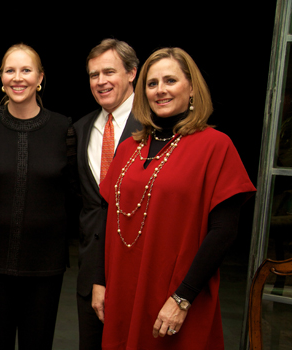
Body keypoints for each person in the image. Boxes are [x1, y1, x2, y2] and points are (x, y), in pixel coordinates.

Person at [98, 47, 256, 350]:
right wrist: (100, 281)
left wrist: (183, 297)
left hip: (177, 296)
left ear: (192, 87)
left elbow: (224, 232)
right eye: (152, 83)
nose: (160, 90)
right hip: (124, 294)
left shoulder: (216, 146)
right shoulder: (131, 148)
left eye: (170, 80)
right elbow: (106, 217)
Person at [0, 43, 77, 349]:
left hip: (45, 263)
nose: (18, 78)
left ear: (40, 77)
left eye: (26, 70)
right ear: (1, 77)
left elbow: (73, 193)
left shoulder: (63, 128)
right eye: (10, 70)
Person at [73, 39, 141, 350]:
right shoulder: (81, 128)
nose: (101, 82)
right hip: (90, 271)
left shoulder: (156, 125)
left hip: (139, 267)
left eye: (109, 72)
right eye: (93, 75)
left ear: (132, 73)